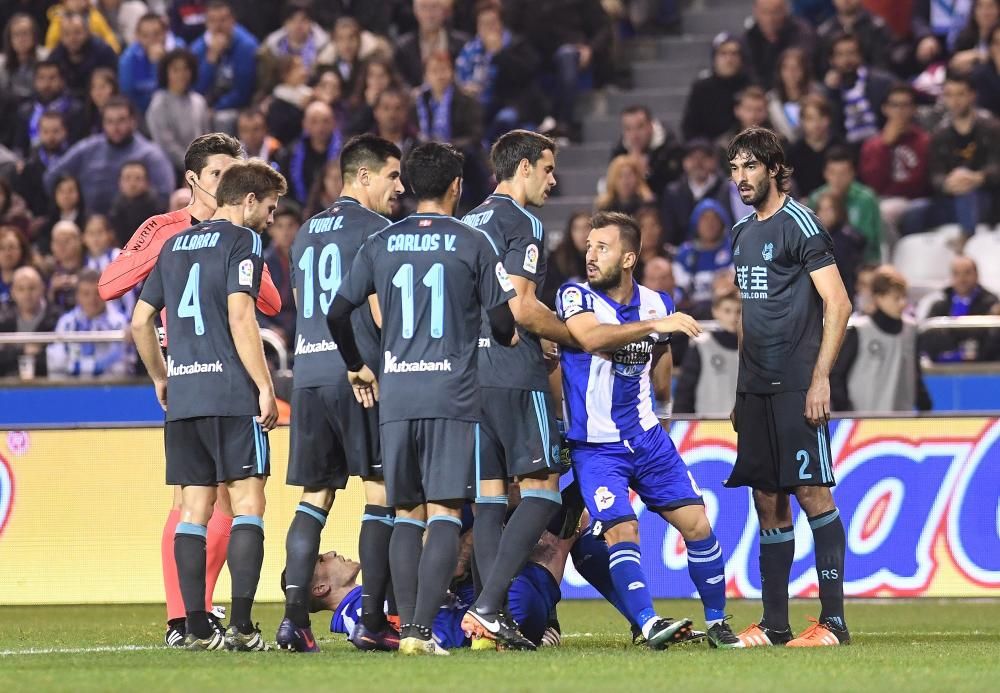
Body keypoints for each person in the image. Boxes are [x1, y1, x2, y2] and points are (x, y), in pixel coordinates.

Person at [326, 141, 518, 656]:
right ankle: (418, 632)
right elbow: (503, 323)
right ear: (457, 186)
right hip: (450, 397)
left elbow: (337, 313)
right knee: (445, 516)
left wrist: (355, 365)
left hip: (397, 396)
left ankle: (406, 625)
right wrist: (504, 336)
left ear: (408, 186)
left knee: (405, 513)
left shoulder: (381, 243)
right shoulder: (473, 242)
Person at [98, 133, 282, 648]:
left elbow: (265, 298)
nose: (229, 180)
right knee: (239, 503)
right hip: (227, 385)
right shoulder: (170, 230)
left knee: (198, 508)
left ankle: (195, 621)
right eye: (221, 172)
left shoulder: (193, 242)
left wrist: (162, 377)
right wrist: (265, 386)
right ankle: (202, 621)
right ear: (195, 179)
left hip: (184, 389)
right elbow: (110, 284)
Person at [555, 211, 740, 649]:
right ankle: (648, 623)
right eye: (589, 247)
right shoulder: (575, 296)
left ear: (628, 258)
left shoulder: (657, 302)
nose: (591, 255)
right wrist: (658, 326)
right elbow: (592, 339)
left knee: (697, 525)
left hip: (646, 437)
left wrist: (666, 407)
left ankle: (717, 623)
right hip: (595, 445)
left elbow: (661, 358)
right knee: (623, 529)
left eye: (603, 247)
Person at [276, 135, 404, 653]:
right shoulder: (379, 231)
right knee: (380, 493)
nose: (399, 188)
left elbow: (305, 303)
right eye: (393, 176)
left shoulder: (305, 232)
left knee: (314, 499)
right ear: (364, 176)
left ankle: (291, 621)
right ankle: (373, 620)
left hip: (307, 375)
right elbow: (379, 312)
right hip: (359, 375)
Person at [725, 127, 853, 647]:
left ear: (775, 168)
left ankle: (834, 623)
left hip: (797, 382)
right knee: (766, 499)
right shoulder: (739, 233)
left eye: (750, 167)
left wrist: (820, 377)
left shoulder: (801, 223)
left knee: (811, 492)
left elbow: (838, 303)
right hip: (756, 386)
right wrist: (739, 391)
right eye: (734, 169)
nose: (741, 178)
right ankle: (775, 623)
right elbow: (747, 319)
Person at [456, 130, 570, 649]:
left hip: (468, 378)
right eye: (547, 168)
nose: (553, 178)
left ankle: (489, 623)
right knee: (544, 490)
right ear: (522, 168)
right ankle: (485, 606)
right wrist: (572, 336)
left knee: (489, 502)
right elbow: (521, 305)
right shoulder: (522, 222)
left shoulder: (467, 223)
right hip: (513, 373)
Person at [43, 96, 175, 215]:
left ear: (133, 121)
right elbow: (51, 178)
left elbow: (164, 196)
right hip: (89, 228)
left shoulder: (151, 155)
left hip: (135, 227)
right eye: (109, 121)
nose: (115, 127)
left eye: (121, 120)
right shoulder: (88, 148)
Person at [831, 265, 932, 412]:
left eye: (904, 297)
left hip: (901, 420)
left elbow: (914, 375)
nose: (902, 303)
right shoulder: (860, 331)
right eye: (896, 298)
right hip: (862, 420)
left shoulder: (911, 331)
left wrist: (925, 406)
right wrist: (846, 410)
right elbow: (837, 376)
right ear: (879, 298)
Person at [928, 72, 1000, 239]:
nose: (955, 101)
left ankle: (966, 244)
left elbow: (997, 166)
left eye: (960, 94)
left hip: (989, 196)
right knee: (913, 214)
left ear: (972, 95)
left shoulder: (992, 128)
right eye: (949, 95)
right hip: (950, 197)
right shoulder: (939, 134)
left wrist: (978, 178)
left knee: (966, 195)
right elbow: (934, 175)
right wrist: (947, 184)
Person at [857, 84, 931, 242]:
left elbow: (920, 183)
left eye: (905, 105)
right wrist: (884, 146)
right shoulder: (873, 144)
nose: (900, 111)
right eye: (895, 105)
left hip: (911, 199)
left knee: (883, 212)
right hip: (880, 198)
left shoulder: (924, 141)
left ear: (914, 109)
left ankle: (887, 260)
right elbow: (873, 183)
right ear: (885, 109)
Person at [46, 267, 133, 378]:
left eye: (97, 293)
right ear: (77, 296)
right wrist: (95, 367)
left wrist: (79, 367)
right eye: (86, 294)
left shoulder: (120, 323)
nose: (92, 299)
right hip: (73, 388)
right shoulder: (66, 323)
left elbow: (121, 367)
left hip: (112, 388)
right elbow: (58, 363)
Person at [190, 0, 258, 131]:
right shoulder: (197, 48)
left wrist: (215, 109)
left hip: (238, 106)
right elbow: (196, 89)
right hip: (205, 104)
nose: (218, 26)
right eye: (212, 21)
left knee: (222, 120)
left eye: (223, 20)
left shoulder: (246, 46)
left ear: (233, 20)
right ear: (206, 23)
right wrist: (211, 60)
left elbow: (242, 92)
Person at [808, 146, 882, 264]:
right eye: (833, 173)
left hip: (860, 263)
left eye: (843, 173)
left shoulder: (866, 199)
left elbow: (870, 241)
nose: (837, 179)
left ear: (853, 173)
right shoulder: (817, 198)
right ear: (825, 173)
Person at [674, 287, 741, 415]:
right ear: (715, 312)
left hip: (742, 427)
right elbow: (685, 390)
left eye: (738, 311)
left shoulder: (751, 348)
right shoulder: (701, 345)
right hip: (706, 428)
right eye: (727, 311)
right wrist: (679, 419)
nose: (733, 317)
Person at [821, 33, 896, 146]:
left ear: (861, 55)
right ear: (832, 60)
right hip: (845, 152)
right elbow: (832, 129)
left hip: (882, 145)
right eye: (840, 54)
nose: (847, 60)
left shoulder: (882, 82)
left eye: (851, 53)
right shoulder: (829, 92)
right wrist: (832, 93)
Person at [921, 256, 999, 363]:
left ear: (976, 275)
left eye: (967, 273)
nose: (962, 279)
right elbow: (927, 338)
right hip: (943, 368)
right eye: (956, 274)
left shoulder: (991, 304)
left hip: (981, 366)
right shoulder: (939, 304)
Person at [146, 48, 212, 175]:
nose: (181, 74)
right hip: (169, 169)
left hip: (199, 167)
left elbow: (206, 137)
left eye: (185, 69)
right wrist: (190, 167)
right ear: (166, 73)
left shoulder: (199, 101)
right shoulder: (159, 104)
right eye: (175, 70)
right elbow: (166, 145)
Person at [682, 33, 751, 143]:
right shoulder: (701, 89)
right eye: (723, 53)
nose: (729, 59)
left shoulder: (751, 86)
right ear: (714, 57)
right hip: (710, 151)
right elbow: (690, 130)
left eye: (734, 54)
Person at [673, 199, 734, 319]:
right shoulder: (684, 253)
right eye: (704, 218)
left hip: (726, 313)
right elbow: (678, 290)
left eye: (714, 219)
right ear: (696, 223)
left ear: (722, 222)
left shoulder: (735, 249)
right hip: (691, 314)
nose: (709, 224)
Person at [610, 106, 684, 204]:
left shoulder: (671, 149)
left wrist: (647, 174)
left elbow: (673, 188)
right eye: (628, 129)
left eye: (640, 127)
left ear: (651, 125)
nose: (634, 135)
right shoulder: (619, 152)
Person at [275, 101, 343, 206]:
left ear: (334, 122)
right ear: (304, 124)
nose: (320, 127)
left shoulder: (346, 150)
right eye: (314, 121)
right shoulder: (290, 154)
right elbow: (284, 191)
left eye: (325, 121)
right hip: (300, 210)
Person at [0, 266, 62, 377]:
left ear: (42, 288)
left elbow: (58, 359)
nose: (27, 294)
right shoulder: (4, 320)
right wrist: (24, 351)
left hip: (46, 383)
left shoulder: (57, 319)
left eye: (32, 288)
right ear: (13, 292)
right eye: (21, 289)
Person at [740, 0, 815, 91]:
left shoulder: (802, 34)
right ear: (755, 12)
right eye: (764, 12)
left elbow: (801, 67)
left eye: (775, 12)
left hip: (796, 90)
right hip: (760, 95)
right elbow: (749, 72)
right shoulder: (749, 38)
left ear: (786, 11)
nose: (770, 18)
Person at [393, 0, 469, 89]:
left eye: (434, 7)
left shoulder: (463, 44)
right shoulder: (403, 47)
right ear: (415, 11)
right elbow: (400, 82)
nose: (429, 14)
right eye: (424, 7)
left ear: (444, 10)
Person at [118, 13, 178, 115]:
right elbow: (128, 96)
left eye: (156, 34)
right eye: (145, 36)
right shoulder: (127, 59)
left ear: (165, 33)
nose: (152, 40)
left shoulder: (177, 51)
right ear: (137, 36)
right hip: (141, 113)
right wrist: (155, 66)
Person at [786, 94, 841, 197]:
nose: (816, 124)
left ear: (829, 119)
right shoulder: (793, 153)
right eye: (810, 118)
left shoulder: (840, 147)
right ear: (802, 121)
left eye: (821, 117)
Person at [108, 161, 164, 246]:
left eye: (138, 178)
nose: (132, 184)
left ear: (147, 182)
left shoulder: (157, 209)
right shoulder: (115, 208)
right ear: (119, 182)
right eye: (127, 178)